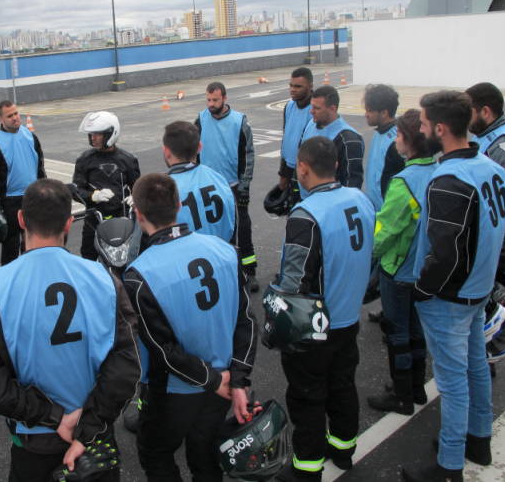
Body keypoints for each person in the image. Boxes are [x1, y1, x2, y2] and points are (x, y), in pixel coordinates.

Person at [0, 179, 140, 482]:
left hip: (34, 443)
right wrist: (88, 425)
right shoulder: (104, 279)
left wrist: (53, 417)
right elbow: (127, 362)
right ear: (69, 224)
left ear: (21, 220)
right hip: (94, 439)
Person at [123, 173, 258, 482]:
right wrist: (236, 379)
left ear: (138, 214)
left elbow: (164, 352)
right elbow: (246, 320)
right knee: (205, 453)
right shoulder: (225, 251)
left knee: (155, 452)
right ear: (179, 205)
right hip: (222, 383)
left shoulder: (138, 275)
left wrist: (212, 380)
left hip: (176, 390)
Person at [403, 91, 505, 482]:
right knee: (476, 365)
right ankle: (478, 440)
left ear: (441, 129)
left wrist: (423, 290)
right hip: (478, 289)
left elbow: (445, 253)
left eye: (426, 124)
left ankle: (450, 467)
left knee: (452, 381)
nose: (422, 129)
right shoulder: (489, 165)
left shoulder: (447, 177)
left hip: (450, 297)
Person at [274, 137, 374, 482]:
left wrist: (278, 327)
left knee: (307, 396)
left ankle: (307, 468)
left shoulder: (306, 215)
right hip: (348, 318)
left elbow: (293, 282)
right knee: (343, 385)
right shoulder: (361, 198)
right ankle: (344, 450)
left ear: (302, 167)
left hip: (317, 325)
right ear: (334, 165)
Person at [365, 110, 436, 415]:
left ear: (410, 141)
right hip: (424, 269)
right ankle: (417, 388)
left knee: (397, 333)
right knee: (416, 330)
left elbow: (383, 233)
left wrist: (364, 257)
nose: (395, 140)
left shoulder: (404, 181)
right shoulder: (439, 171)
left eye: (398, 135)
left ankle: (402, 395)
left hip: (399, 269)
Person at [194, 81, 257, 290]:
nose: (211, 104)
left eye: (215, 100)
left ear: (225, 99)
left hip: (233, 186)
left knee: (242, 228)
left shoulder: (239, 121)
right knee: (214, 230)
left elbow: (248, 155)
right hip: (208, 187)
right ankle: (222, 270)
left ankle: (249, 271)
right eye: (209, 100)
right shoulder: (201, 120)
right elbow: (193, 153)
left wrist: (244, 186)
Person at [465, 83, 505, 294]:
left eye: (468, 112)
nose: (465, 118)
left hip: (497, 243)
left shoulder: (504, 146)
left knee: (497, 299)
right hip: (485, 234)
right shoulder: (484, 134)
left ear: (486, 111)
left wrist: (504, 248)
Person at [0, 100, 46, 265]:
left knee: (32, 245)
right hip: (9, 202)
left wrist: (45, 193)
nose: (15, 118)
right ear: (0, 119)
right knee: (11, 247)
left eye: (16, 113)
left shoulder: (30, 136)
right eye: (9, 115)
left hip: (31, 198)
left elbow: (40, 168)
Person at [74, 111, 140, 260]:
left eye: (98, 134)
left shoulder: (128, 159)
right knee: (88, 258)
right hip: (94, 219)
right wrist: (94, 196)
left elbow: (138, 186)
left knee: (127, 258)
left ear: (111, 134)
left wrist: (136, 197)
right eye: (91, 134)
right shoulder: (84, 159)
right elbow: (75, 190)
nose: (93, 138)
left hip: (121, 218)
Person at [297, 85, 364, 200]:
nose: (311, 111)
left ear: (332, 109)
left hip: (329, 206)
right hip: (306, 201)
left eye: (317, 108)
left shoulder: (348, 139)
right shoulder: (310, 124)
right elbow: (299, 159)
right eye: (311, 106)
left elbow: (352, 182)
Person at [363, 84, 406, 211]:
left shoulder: (396, 142)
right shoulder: (379, 132)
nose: (365, 114)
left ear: (384, 113)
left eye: (369, 111)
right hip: (375, 213)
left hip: (388, 217)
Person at [278, 67, 314, 194]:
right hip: (289, 167)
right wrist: (282, 173)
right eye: (291, 85)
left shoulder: (315, 110)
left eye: (298, 86)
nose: (292, 89)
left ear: (310, 86)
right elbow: (286, 139)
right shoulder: (289, 106)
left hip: (306, 171)